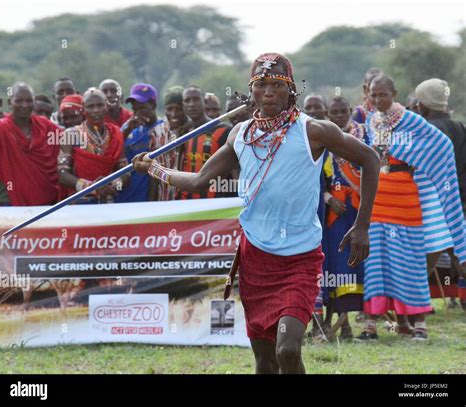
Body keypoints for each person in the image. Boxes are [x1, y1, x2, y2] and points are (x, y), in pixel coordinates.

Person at [132, 53, 380, 374]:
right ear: (252, 91)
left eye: (277, 85)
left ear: (291, 90)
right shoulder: (240, 135)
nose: (269, 92)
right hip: (256, 259)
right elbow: (197, 181)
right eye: (261, 85)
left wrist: (363, 226)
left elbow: (370, 160)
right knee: (264, 361)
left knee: (288, 350)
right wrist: (155, 169)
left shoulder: (314, 132)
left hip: (299, 260)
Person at [359, 74, 466, 341]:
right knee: (376, 260)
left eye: (382, 94)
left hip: (406, 198)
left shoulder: (412, 120)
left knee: (410, 260)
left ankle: (419, 325)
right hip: (378, 198)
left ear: (394, 93)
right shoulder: (371, 123)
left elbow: (441, 146)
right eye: (373, 95)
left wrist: (419, 163)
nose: (377, 99)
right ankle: (372, 325)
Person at [416, 78, 466, 310]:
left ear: (424, 104)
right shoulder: (460, 127)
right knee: (460, 255)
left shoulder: (425, 131)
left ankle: (416, 307)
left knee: (425, 258)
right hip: (459, 200)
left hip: (432, 205)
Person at [322, 96, 367, 340]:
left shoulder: (365, 136)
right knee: (336, 263)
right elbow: (317, 181)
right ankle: (337, 321)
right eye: (334, 112)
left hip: (359, 210)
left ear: (350, 111)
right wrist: (329, 199)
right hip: (335, 214)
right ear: (328, 115)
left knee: (358, 262)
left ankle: (356, 322)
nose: (338, 116)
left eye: (342, 111)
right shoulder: (323, 140)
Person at [0, 82, 61, 206]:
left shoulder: (46, 126)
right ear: (9, 103)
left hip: (46, 199)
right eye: (19, 101)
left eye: (29, 101)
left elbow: (68, 138)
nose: (24, 105)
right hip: (10, 198)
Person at [57, 88, 128, 203]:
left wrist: (113, 185)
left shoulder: (116, 134)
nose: (96, 110)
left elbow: (125, 172)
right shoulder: (70, 135)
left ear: (106, 107)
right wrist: (92, 187)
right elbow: (62, 175)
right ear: (83, 110)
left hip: (110, 201)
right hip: (80, 202)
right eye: (90, 106)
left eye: (100, 105)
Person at [115, 83, 174, 202]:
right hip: (124, 195)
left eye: (142, 108)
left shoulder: (165, 129)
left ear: (153, 105)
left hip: (149, 197)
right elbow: (114, 152)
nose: (137, 112)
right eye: (134, 108)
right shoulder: (129, 126)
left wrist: (151, 201)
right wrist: (127, 131)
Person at [177, 86, 231, 200]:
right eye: (187, 100)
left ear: (204, 102)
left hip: (213, 202)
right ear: (183, 105)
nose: (191, 104)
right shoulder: (183, 132)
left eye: (196, 99)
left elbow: (234, 169)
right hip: (184, 201)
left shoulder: (224, 130)